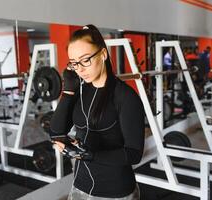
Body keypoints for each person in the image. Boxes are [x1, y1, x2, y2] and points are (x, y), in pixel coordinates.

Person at [50, 24, 145, 200]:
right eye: (74, 63)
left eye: (85, 60)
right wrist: (68, 92)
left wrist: (91, 155)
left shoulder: (125, 97)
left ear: (103, 54)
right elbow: (56, 132)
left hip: (115, 192)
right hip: (80, 187)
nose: (80, 69)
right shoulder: (80, 91)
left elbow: (134, 154)